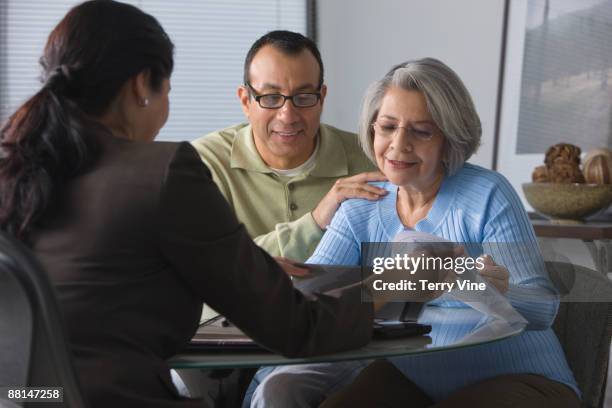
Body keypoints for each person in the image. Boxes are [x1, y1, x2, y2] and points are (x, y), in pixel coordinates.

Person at [0, 2, 374, 407]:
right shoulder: (163, 172)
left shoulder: (16, 168)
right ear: (143, 85)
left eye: (303, 96)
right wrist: (387, 289)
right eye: (169, 88)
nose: (287, 113)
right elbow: (295, 326)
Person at [309, 58, 579, 407]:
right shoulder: (360, 205)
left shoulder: (488, 195)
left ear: (449, 139)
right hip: (414, 376)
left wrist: (475, 285)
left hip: (521, 379)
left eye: (421, 131)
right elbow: (310, 299)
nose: (398, 145)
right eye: (388, 126)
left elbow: (543, 311)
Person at [191, 30, 385, 262]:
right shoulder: (203, 163)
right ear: (246, 101)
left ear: (322, 98)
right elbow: (204, 269)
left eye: (303, 98)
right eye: (271, 98)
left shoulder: (371, 160)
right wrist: (316, 222)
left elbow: (401, 271)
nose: (288, 116)